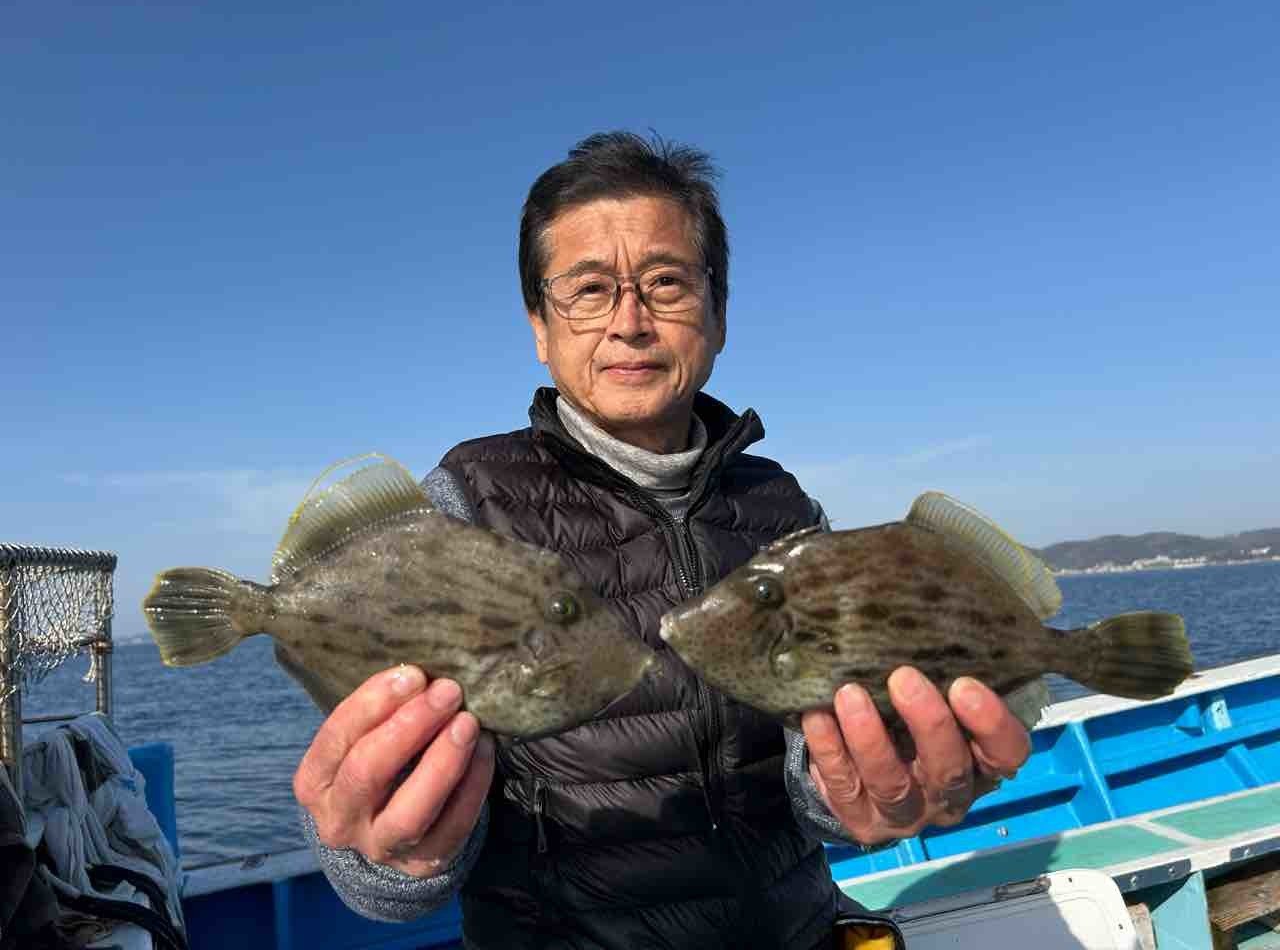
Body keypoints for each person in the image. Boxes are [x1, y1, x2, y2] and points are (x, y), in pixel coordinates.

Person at [293, 132, 1031, 949]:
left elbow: (813, 786)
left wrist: (871, 790)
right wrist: (391, 860)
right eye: (588, 289)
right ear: (540, 327)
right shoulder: (461, 505)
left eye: (666, 283)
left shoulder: (785, 510)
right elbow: (381, 860)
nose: (630, 322)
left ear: (718, 314)